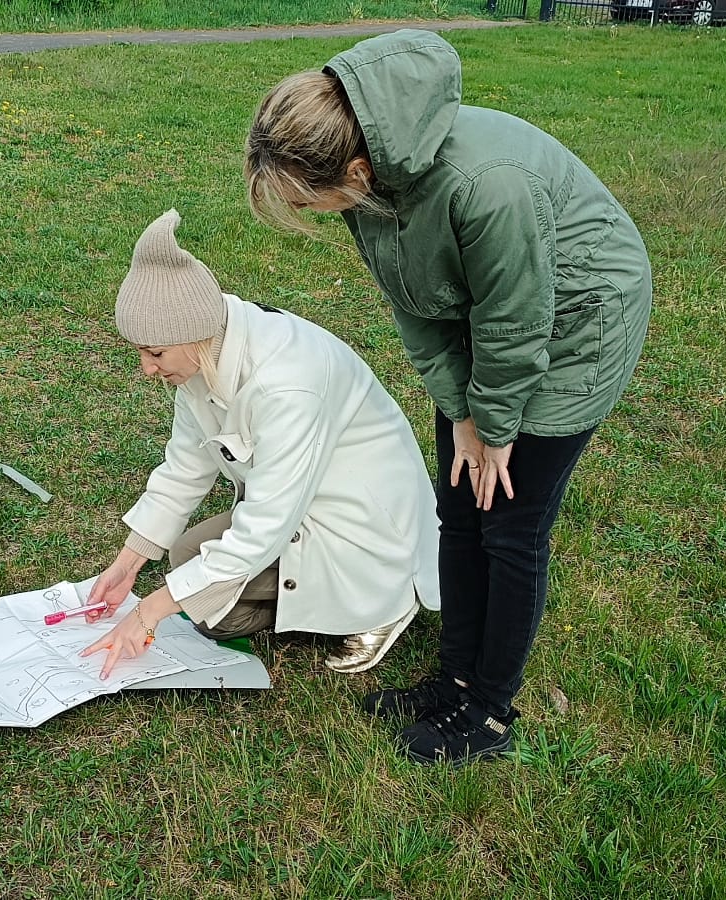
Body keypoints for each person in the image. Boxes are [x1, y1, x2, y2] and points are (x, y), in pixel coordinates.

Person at [244, 29, 653, 764]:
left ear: (359, 166)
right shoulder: (367, 188)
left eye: (310, 200)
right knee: (459, 510)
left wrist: (496, 430)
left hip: (577, 321)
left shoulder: (484, 183)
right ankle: (453, 677)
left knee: (510, 524)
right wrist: (462, 414)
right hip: (494, 322)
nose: (311, 214)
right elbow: (414, 302)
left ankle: (489, 713)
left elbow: (517, 318)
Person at [79, 209, 441, 678]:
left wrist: (148, 611)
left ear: (191, 337)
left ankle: (385, 603)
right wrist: (128, 564)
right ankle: (308, 603)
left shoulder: (286, 383)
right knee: (191, 567)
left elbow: (266, 524)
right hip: (297, 502)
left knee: (196, 593)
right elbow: (185, 466)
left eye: (154, 353)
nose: (147, 368)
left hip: (358, 521)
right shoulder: (201, 350)